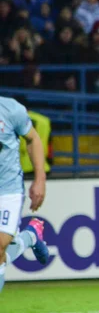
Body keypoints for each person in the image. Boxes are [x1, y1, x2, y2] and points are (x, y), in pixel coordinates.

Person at [0, 97, 49, 292]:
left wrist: (40, 179)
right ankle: (30, 236)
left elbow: (33, 138)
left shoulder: (10, 109)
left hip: (7, 189)